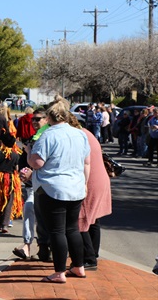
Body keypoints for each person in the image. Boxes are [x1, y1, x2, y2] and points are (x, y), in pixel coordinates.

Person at [27, 96, 90, 283]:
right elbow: (87, 162)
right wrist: (85, 183)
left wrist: (29, 152)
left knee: (57, 231)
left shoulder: (48, 135)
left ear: (49, 117)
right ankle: (78, 266)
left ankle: (59, 272)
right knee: (73, 229)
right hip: (76, 187)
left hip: (53, 188)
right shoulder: (80, 134)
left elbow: (37, 163)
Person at [67, 113, 111, 270]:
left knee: (81, 220)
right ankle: (93, 254)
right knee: (93, 220)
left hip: (89, 182)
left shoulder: (78, 137)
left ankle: (89, 259)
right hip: (99, 180)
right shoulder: (86, 133)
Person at [13, 108, 49, 260]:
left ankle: (45, 249)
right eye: (33, 119)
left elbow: (46, 164)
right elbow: (24, 162)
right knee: (29, 208)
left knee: (43, 217)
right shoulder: (33, 138)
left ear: (47, 120)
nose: (34, 122)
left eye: (38, 119)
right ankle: (27, 245)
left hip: (46, 185)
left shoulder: (48, 137)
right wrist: (23, 172)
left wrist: (31, 170)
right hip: (32, 185)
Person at [0, 129, 22, 233]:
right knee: (9, 201)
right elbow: (16, 169)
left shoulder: (0, 153)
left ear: (3, 143)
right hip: (11, 180)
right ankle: (5, 225)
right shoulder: (16, 155)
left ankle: (0, 222)